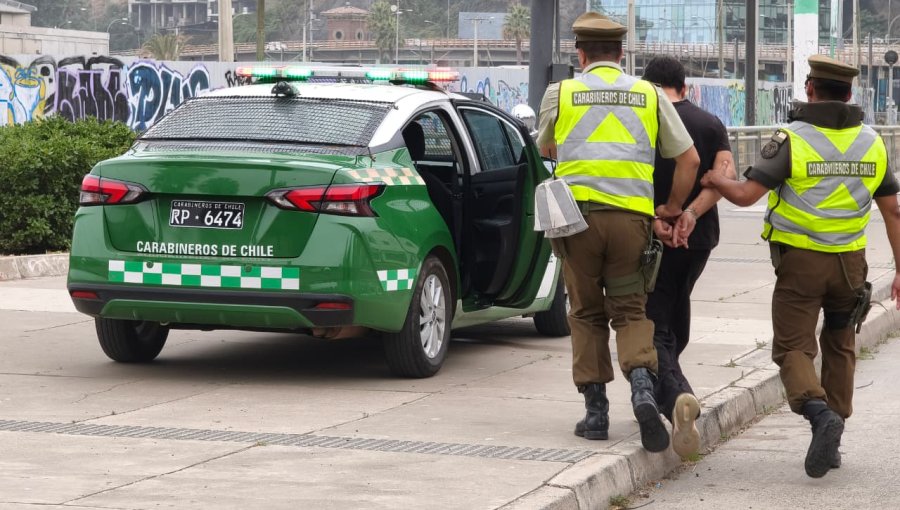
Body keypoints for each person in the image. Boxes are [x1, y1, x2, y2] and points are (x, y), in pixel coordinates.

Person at [701, 54, 900, 478]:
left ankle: (816, 412)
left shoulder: (791, 139)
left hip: (801, 264)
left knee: (793, 347)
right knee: (841, 342)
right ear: (850, 94)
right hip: (852, 263)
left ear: (810, 89)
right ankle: (835, 434)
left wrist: (716, 180)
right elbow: (893, 213)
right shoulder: (873, 142)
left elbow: (745, 196)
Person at [536, 12, 700, 453]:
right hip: (631, 221)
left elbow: (546, 148)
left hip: (578, 222)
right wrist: (670, 208)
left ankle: (595, 414)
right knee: (630, 311)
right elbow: (689, 160)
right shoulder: (648, 94)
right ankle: (643, 390)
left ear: (581, 52)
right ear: (622, 54)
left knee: (586, 312)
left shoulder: (563, 92)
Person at [639, 55, 736, 458]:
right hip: (697, 240)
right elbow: (724, 176)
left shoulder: (645, 121)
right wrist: (693, 214)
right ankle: (671, 391)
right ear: (685, 86)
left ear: (648, 87)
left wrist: (663, 216)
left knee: (653, 322)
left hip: (654, 234)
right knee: (677, 308)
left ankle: (677, 396)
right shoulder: (710, 124)